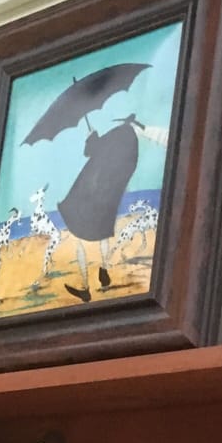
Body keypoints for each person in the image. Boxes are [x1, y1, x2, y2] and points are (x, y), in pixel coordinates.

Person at [58, 114, 144, 302]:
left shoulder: (117, 134)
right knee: (103, 235)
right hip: (108, 200)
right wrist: (94, 137)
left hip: (89, 196)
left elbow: (92, 151)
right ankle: (104, 271)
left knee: (78, 240)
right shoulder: (131, 148)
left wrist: (91, 137)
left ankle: (85, 287)